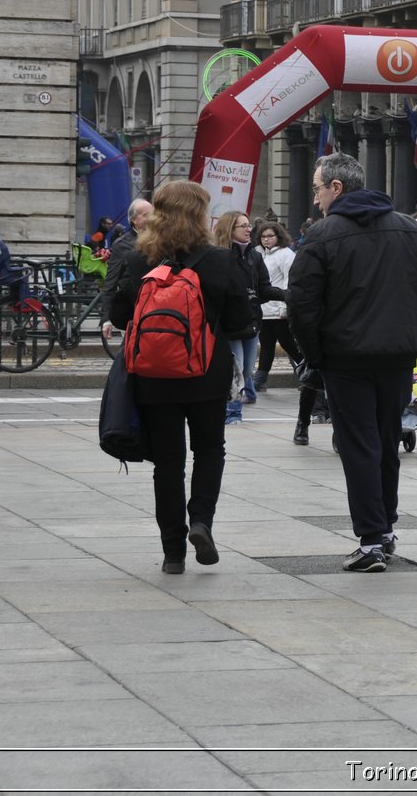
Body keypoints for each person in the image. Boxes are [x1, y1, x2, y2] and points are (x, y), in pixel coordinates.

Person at [288, 153, 417, 572]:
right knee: (385, 443)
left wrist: (315, 356)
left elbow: (302, 305)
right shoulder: (409, 231)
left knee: (359, 446)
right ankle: (386, 527)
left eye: (317, 189)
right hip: (398, 356)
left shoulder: (323, 235)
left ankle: (371, 539)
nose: (315, 199)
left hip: (346, 359)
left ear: (336, 188)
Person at [108, 181, 254, 571]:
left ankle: (173, 553)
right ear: (199, 215)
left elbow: (119, 315)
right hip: (207, 373)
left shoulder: (139, 259)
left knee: (168, 464)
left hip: (154, 377)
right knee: (209, 449)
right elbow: (242, 322)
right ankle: (201, 521)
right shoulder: (221, 261)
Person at [212, 212, 280, 424]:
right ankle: (232, 412)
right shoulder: (219, 256)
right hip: (230, 324)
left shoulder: (254, 256)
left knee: (248, 368)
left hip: (251, 321)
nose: (248, 229)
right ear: (230, 229)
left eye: (248, 225)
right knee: (237, 367)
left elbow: (264, 288)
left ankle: (235, 398)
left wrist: (289, 295)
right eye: (242, 226)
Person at [253, 221, 301, 392]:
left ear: (278, 236)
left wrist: (285, 308)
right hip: (265, 311)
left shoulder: (286, 254)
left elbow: (290, 280)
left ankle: (305, 376)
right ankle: (259, 380)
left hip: (280, 310)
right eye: (263, 236)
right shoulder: (260, 255)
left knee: (290, 346)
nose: (266, 239)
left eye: (270, 236)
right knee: (266, 346)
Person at [101, 198, 153, 342]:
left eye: (153, 214)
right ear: (134, 220)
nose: (152, 218)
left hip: (155, 308)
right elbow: (110, 282)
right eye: (146, 214)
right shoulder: (122, 244)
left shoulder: (161, 240)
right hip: (132, 309)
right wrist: (106, 318)